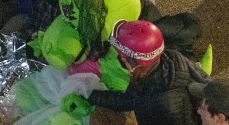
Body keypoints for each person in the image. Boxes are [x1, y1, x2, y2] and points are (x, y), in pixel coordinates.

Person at [64, 20, 209, 125]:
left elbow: (128, 100)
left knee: (99, 117)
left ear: (139, 66)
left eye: (122, 61)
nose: (119, 63)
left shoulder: (157, 102)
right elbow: (134, 98)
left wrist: (89, 95)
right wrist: (89, 95)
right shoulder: (172, 58)